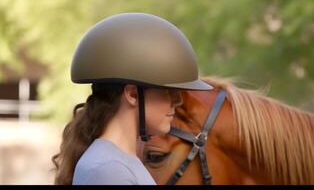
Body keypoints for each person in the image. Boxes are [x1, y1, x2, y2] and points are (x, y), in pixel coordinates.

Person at [51, 12, 213, 185]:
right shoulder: (108, 169)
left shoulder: (119, 163)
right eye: (167, 92)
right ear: (132, 94)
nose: (178, 101)